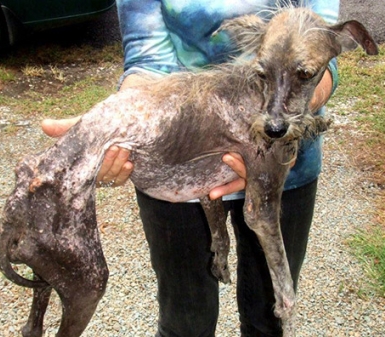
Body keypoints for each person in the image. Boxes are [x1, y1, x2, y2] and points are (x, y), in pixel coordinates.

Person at [40, 0, 340, 336]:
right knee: (185, 324)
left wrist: (285, 129)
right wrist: (120, 125)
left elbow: (325, 54)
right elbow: (146, 60)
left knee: (267, 324)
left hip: (289, 171)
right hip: (180, 156)